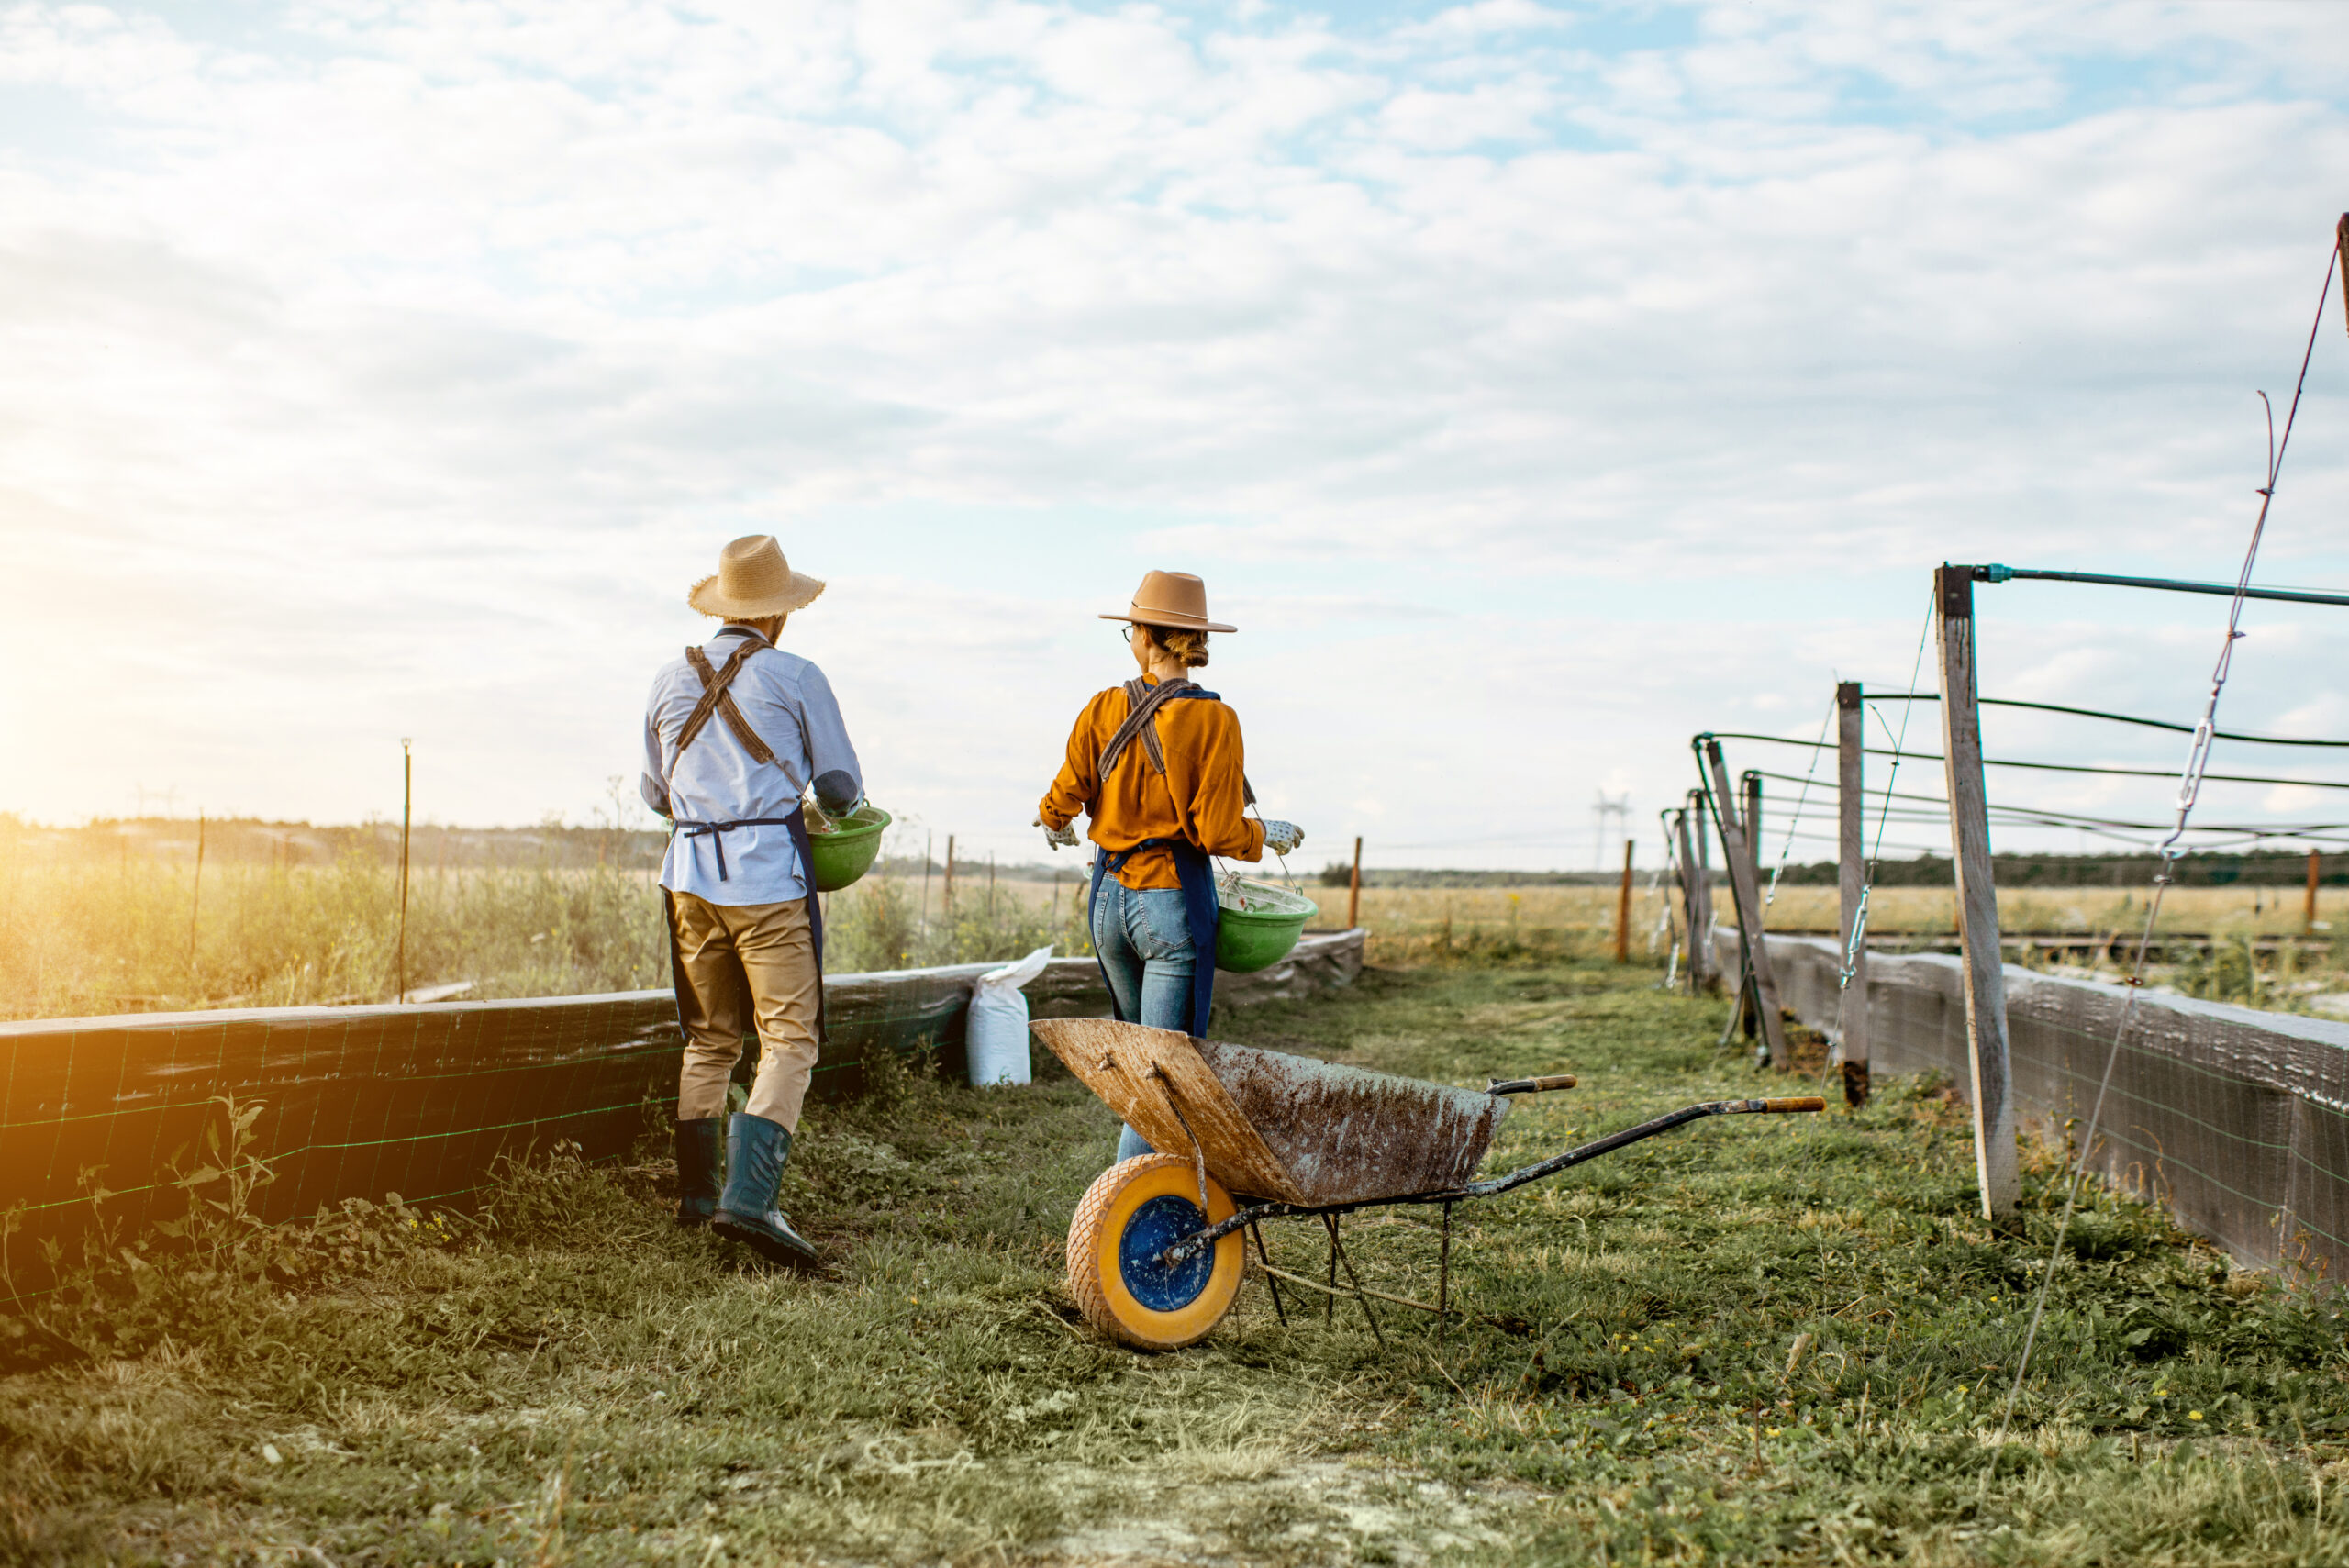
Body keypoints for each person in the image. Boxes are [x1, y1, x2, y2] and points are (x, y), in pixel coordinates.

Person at [640, 534, 863, 1266]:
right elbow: (840, 789)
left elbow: (654, 793)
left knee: (709, 1038)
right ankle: (752, 1200)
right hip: (767, 879)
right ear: (780, 615)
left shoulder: (668, 678)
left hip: (689, 880)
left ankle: (699, 1198)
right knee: (790, 1037)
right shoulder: (797, 675)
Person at [1035, 570, 1305, 1162]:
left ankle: (1136, 1197)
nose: (1130, 636)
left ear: (1147, 638)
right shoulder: (1215, 720)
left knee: (1140, 1060)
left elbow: (1063, 799)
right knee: (1166, 1072)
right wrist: (1269, 833)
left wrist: (1055, 822)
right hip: (1170, 903)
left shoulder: (1103, 707)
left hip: (1106, 899)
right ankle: (1128, 1207)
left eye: (1131, 627)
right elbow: (1217, 832)